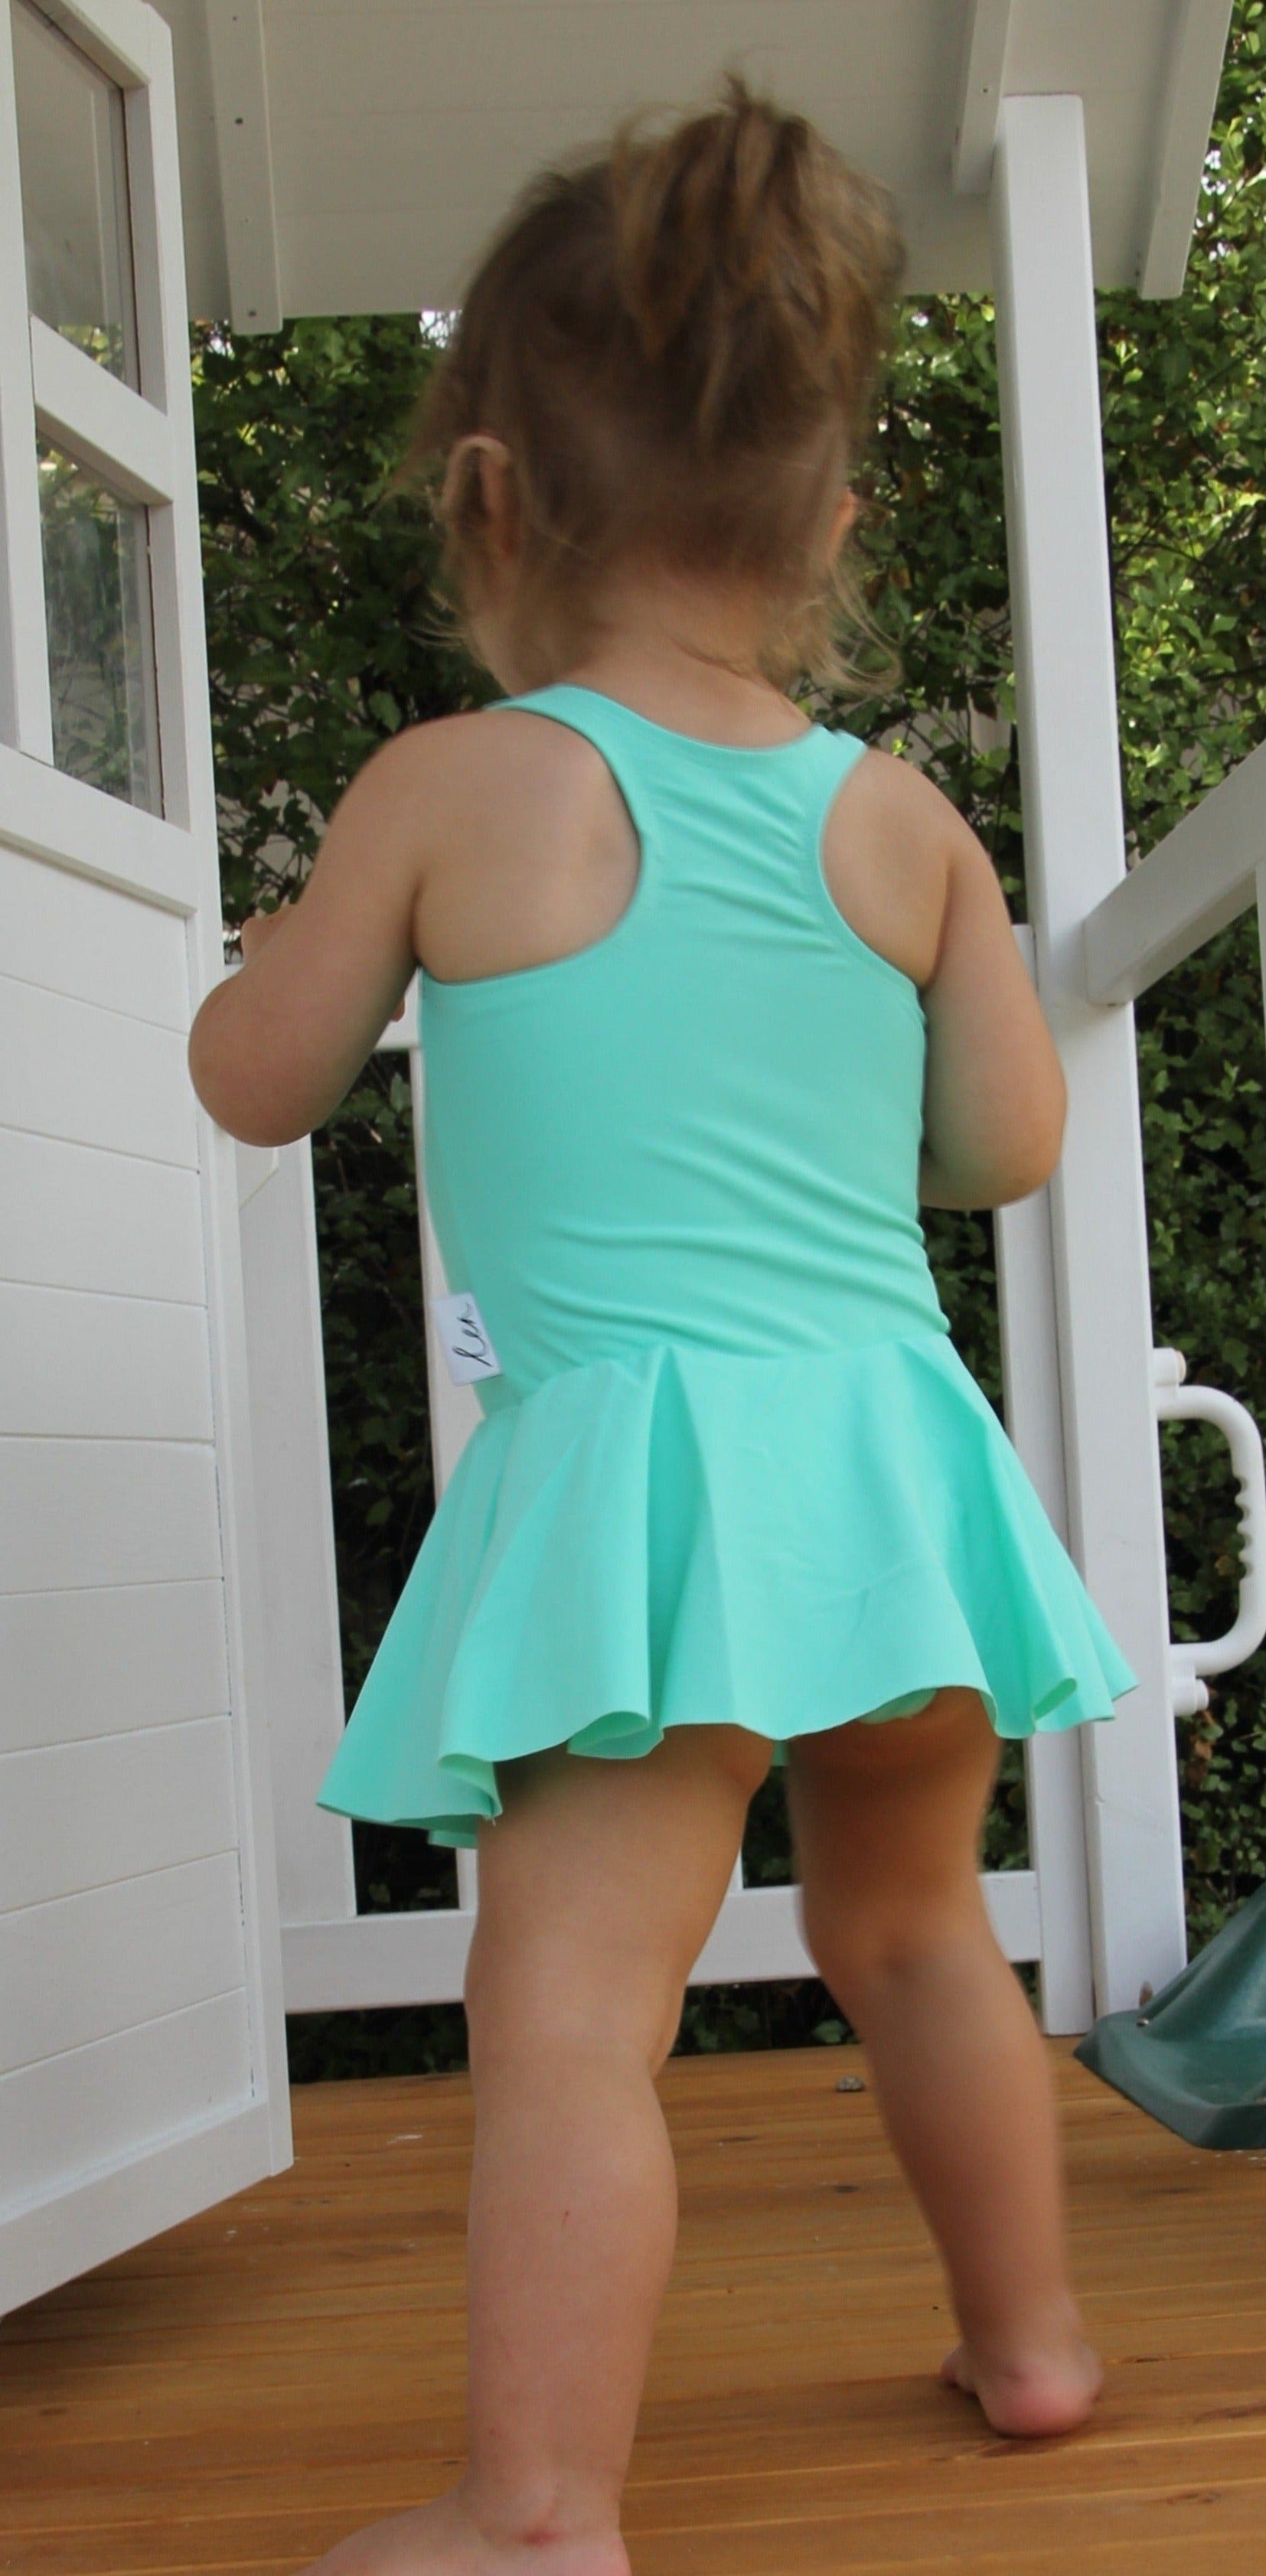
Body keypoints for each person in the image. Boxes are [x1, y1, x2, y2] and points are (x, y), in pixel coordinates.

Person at [188, 77, 1136, 2576]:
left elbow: (256, 1081)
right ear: (830, 518)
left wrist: (288, 962)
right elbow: (1008, 1150)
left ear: (489, 500)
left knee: (573, 2006)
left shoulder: (452, 785)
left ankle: (536, 2514)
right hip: (888, 1476)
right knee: (914, 1924)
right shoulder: (907, 819)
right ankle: (1033, 2343)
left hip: (645, 1500)